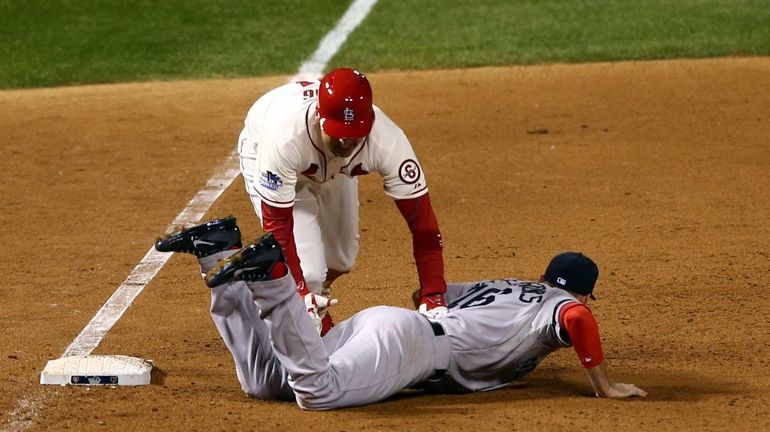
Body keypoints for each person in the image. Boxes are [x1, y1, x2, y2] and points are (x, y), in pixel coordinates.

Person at [155, 218, 647, 410]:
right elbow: (577, 322)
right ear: (582, 293)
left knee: (266, 382)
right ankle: (272, 278)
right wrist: (603, 386)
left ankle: (217, 252)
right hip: (409, 349)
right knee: (317, 392)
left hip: (389, 325)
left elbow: (425, 292)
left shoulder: (506, 287)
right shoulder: (562, 307)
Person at [235, 67, 447, 335]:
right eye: (339, 131)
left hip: (333, 171)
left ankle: (314, 303)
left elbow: (423, 224)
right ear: (318, 117)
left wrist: (434, 293)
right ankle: (301, 312)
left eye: (355, 131)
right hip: (267, 155)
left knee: (340, 260)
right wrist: (300, 291)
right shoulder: (285, 138)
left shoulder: (387, 140)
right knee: (310, 273)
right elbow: (277, 224)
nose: (347, 140)